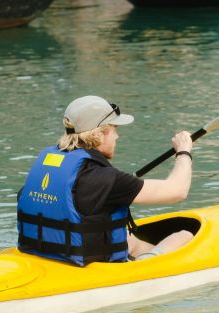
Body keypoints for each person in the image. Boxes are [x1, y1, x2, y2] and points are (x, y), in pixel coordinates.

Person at [17, 95, 194, 266]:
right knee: (184, 236)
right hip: (85, 263)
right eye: (115, 130)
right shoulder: (104, 178)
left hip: (45, 251)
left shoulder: (51, 163)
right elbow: (177, 191)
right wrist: (183, 151)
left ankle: (148, 253)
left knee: (130, 239)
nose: (117, 136)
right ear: (101, 134)